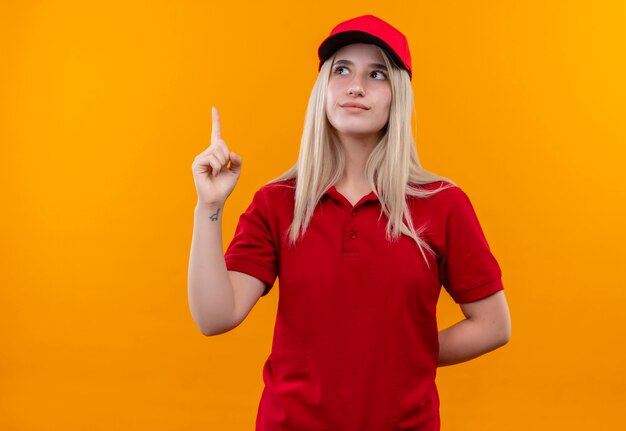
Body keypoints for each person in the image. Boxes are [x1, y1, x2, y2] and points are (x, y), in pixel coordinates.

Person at [188, 14, 511, 431]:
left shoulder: (442, 204)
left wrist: (403, 354)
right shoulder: (278, 203)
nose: (356, 86)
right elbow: (214, 317)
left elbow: (493, 325)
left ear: (398, 95)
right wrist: (208, 207)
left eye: (376, 73)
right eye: (342, 70)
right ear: (323, 88)